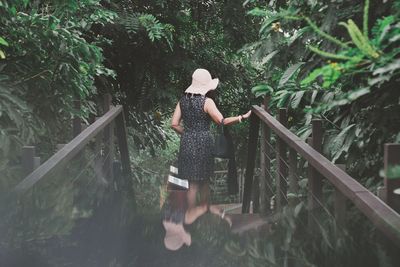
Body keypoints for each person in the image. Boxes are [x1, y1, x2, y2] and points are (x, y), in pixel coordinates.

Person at [170, 68, 251, 223]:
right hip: (203, 144)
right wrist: (242, 117)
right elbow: (222, 121)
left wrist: (188, 134)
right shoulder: (207, 102)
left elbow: (174, 124)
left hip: (187, 143)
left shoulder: (182, 101)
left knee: (191, 181)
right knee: (203, 180)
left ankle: (194, 216)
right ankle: (199, 215)